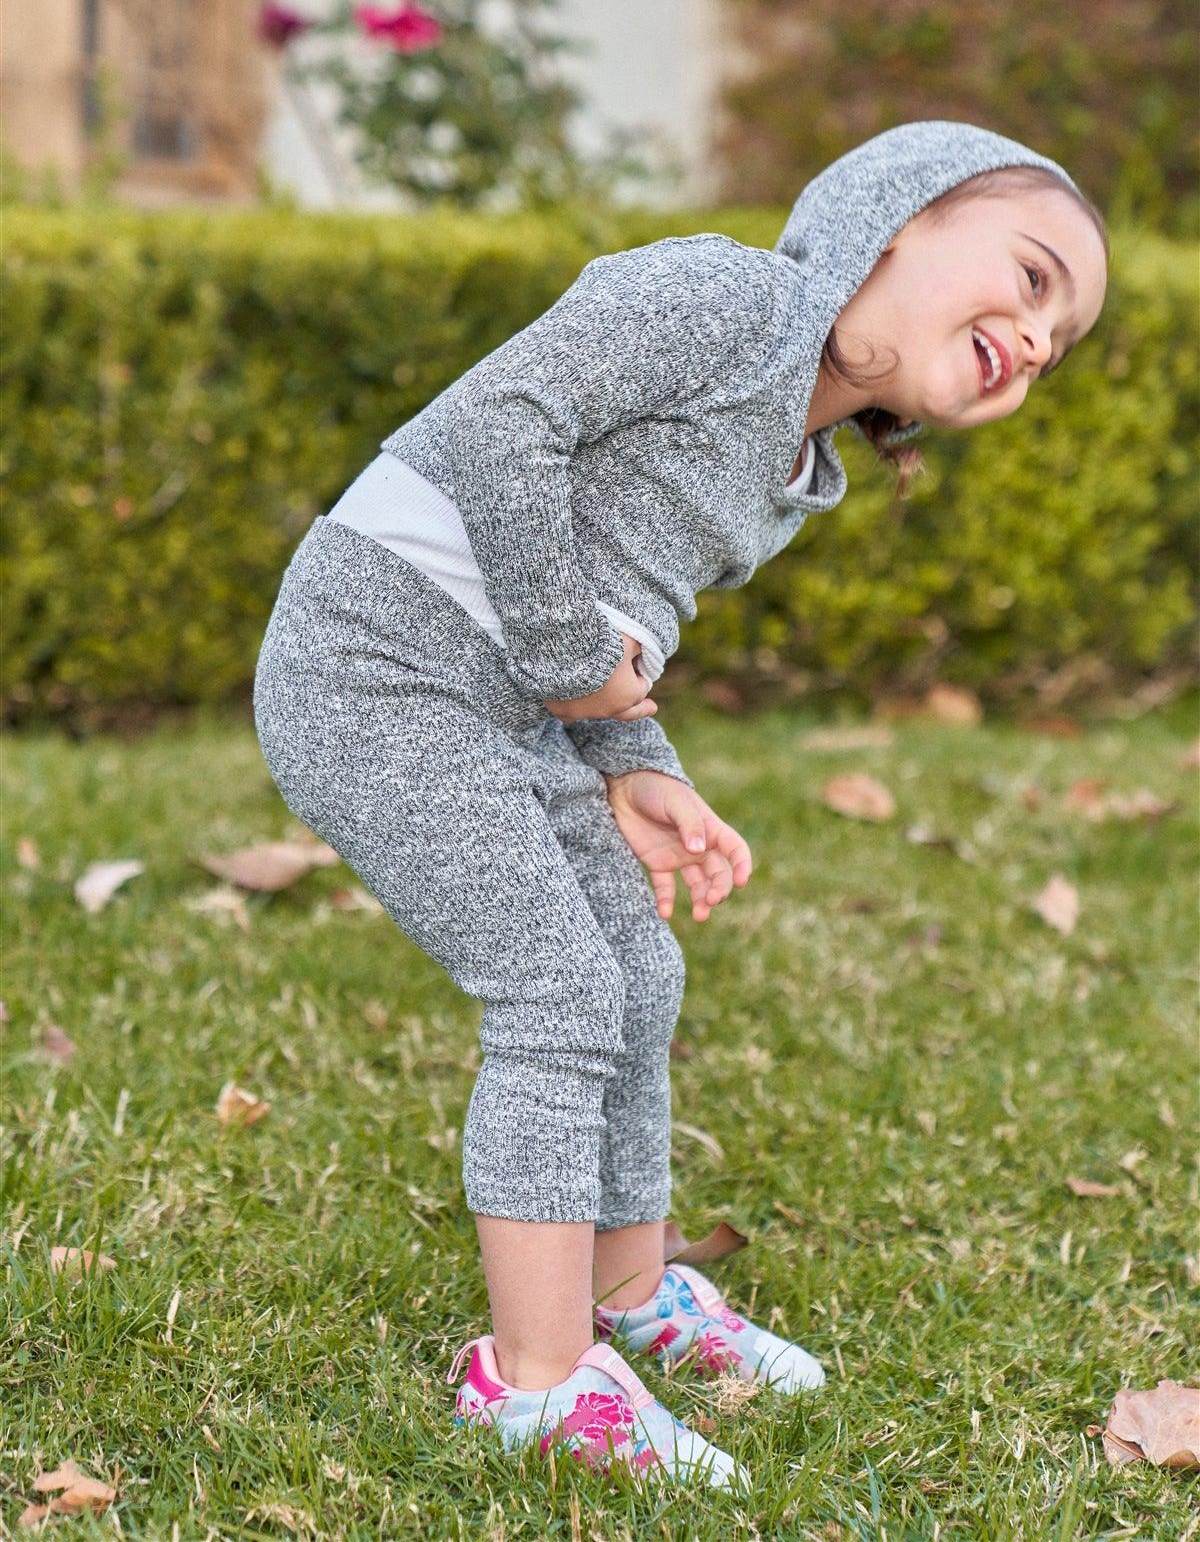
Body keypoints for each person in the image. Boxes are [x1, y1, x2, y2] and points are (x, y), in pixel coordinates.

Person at [251, 120, 1109, 1489]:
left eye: (1062, 329)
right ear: (894, 219)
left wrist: (640, 762)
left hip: (513, 701)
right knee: (558, 990)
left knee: (637, 971)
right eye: (1031, 271)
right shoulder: (729, 302)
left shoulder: (794, 463)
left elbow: (615, 621)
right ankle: (528, 1385)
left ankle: (630, 1297)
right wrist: (576, 677)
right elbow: (500, 425)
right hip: (378, 663)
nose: (1043, 331)